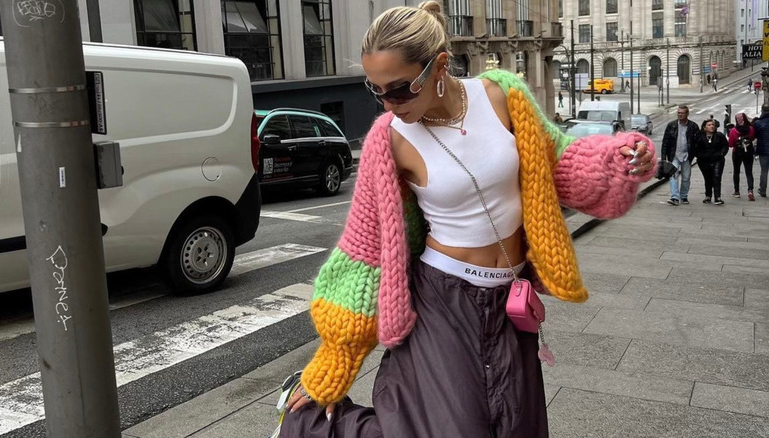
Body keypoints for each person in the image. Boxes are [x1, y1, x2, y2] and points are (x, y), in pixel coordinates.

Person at [271, 3, 656, 438]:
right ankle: (306, 425)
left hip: (508, 294)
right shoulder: (390, 139)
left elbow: (559, 161)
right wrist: (334, 362)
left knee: (516, 425)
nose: (388, 104)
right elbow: (365, 251)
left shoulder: (501, 96)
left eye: (398, 89)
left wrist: (620, 159)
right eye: (376, 91)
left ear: (438, 67)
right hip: (441, 297)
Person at [662, 105, 700, 205]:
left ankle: (684, 196)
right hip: (674, 154)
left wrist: (696, 154)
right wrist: (663, 157)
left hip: (687, 155)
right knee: (673, 175)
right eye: (678, 113)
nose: (680, 115)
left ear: (687, 114)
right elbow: (665, 141)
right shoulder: (672, 125)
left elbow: (697, 142)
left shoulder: (693, 126)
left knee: (686, 177)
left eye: (682, 113)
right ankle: (674, 196)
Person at [695, 119, 729, 204]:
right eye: (709, 125)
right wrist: (700, 155)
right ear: (704, 127)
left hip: (717, 160)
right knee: (707, 178)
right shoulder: (699, 137)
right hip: (704, 161)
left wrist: (721, 154)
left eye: (713, 125)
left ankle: (717, 197)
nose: (712, 126)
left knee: (717, 177)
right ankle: (708, 196)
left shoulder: (719, 135)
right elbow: (695, 148)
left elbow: (725, 146)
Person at [727, 112, 756, 200]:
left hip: (737, 152)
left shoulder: (733, 130)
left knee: (736, 171)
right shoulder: (751, 129)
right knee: (749, 171)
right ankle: (750, 190)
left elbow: (731, 144)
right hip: (748, 151)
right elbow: (753, 138)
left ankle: (737, 191)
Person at [754, 105, 769, 197]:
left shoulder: (758, 123)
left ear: (762, 110)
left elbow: (754, 135)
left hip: (763, 150)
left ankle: (762, 190)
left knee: (764, 171)